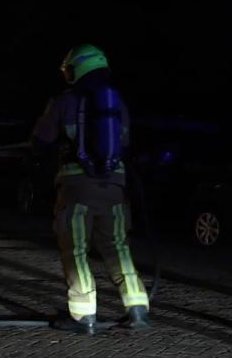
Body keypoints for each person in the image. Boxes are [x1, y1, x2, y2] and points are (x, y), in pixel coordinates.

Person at [31, 44, 150, 335]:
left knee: (76, 250)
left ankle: (83, 316)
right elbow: (124, 145)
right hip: (115, 187)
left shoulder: (63, 101)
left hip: (76, 187)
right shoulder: (116, 103)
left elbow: (41, 141)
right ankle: (137, 310)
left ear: (78, 67)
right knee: (117, 247)